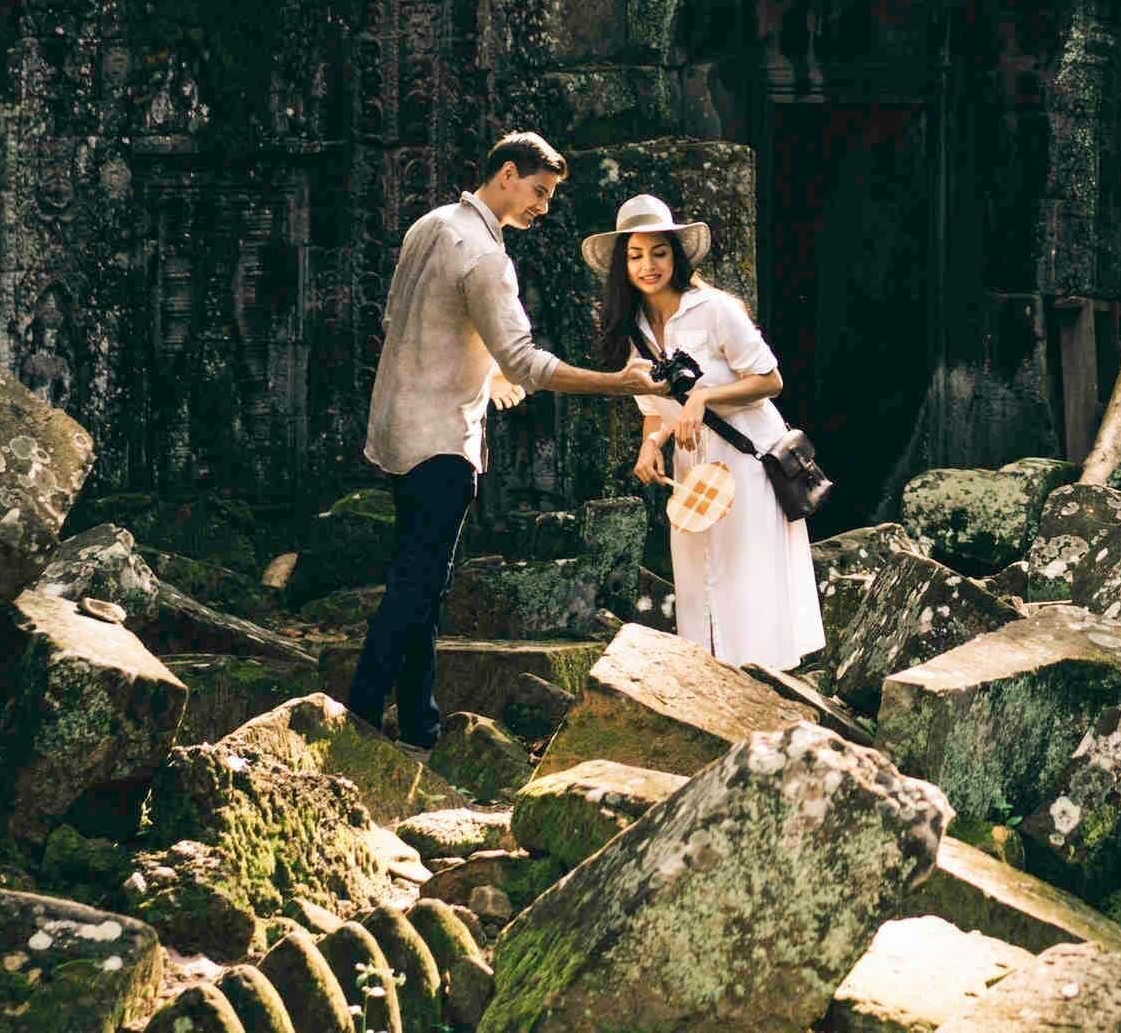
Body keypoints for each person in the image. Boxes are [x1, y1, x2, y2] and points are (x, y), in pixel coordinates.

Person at [346, 132, 659, 748]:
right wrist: (618, 383)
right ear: (507, 174)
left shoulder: (432, 224)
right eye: (539, 192)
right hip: (442, 441)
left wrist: (485, 374)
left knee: (420, 584)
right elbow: (526, 362)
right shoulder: (486, 256)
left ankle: (419, 724)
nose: (543, 207)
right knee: (415, 589)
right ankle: (358, 717)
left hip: (398, 427)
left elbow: (409, 320)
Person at [588, 191, 825, 671]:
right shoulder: (632, 328)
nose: (648, 265)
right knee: (697, 568)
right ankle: (708, 680)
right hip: (692, 465)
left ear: (676, 256)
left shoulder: (715, 309)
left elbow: (770, 380)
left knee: (746, 568)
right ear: (622, 265)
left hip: (745, 458)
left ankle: (762, 678)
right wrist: (650, 444)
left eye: (659, 252)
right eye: (635, 255)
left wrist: (703, 397)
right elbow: (654, 409)